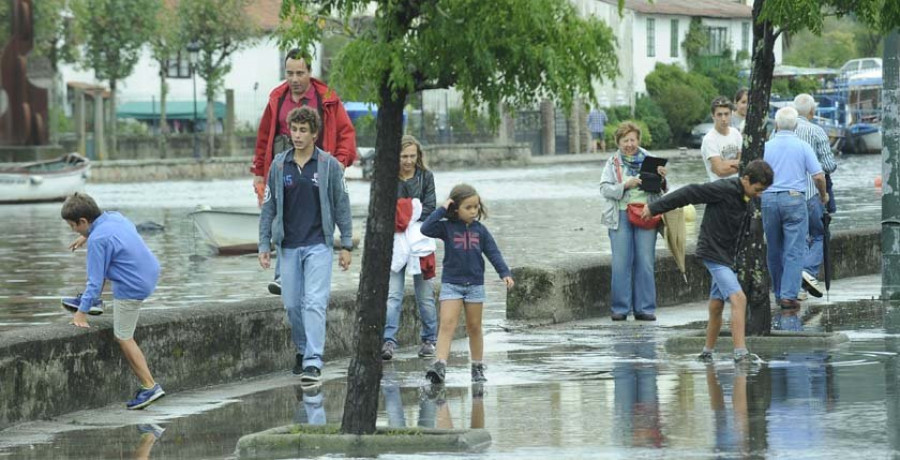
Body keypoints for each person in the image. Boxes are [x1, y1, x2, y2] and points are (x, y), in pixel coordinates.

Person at [642, 160, 774, 363]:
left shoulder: (748, 197)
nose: (760, 194)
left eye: (763, 191)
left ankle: (707, 352)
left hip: (727, 257)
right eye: (758, 189)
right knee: (739, 299)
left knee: (716, 305)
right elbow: (689, 193)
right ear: (746, 179)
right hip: (713, 253)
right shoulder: (722, 189)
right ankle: (740, 354)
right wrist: (654, 207)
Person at [258, 106, 353, 386]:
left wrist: (345, 244)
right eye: (294, 129)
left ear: (314, 134)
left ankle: (313, 360)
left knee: (314, 302)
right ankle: (302, 349)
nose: (297, 135)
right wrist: (264, 243)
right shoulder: (279, 165)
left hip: (318, 245)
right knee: (291, 304)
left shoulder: (329, 166)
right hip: (288, 245)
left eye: (303, 130)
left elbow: (341, 205)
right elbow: (269, 207)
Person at [251, 48, 357, 295]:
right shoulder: (277, 99)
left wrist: (340, 162)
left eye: (300, 73)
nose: (295, 79)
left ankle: (313, 271)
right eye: (290, 73)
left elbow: (346, 133)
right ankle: (282, 275)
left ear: (310, 72)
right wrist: (259, 171)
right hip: (284, 169)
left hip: (318, 171)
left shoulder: (327, 98)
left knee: (321, 219)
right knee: (280, 212)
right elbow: (264, 136)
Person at [61, 192, 165, 410]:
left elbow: (95, 280)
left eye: (73, 226)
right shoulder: (113, 217)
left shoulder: (98, 239)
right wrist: (86, 236)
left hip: (133, 285)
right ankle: (93, 302)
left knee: (123, 336)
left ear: (83, 221)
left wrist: (80, 313)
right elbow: (112, 236)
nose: (73, 231)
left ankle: (150, 386)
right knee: (111, 258)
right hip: (149, 270)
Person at [421, 184, 514, 384]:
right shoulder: (446, 227)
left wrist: (504, 273)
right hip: (452, 284)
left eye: (476, 207)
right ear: (455, 208)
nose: (473, 211)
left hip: (475, 286)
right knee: (447, 325)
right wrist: (442, 208)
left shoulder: (481, 231)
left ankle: (477, 367)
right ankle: (440, 366)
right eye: (468, 207)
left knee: (474, 327)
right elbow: (425, 228)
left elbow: (493, 253)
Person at [599, 121, 668, 321]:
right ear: (618, 142)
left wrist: (662, 178)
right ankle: (620, 308)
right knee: (621, 262)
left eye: (632, 140)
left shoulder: (650, 159)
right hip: (620, 215)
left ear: (638, 140)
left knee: (645, 261)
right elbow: (603, 188)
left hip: (646, 213)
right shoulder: (612, 162)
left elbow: (663, 189)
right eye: (625, 140)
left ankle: (644, 308)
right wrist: (624, 185)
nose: (629, 144)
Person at [762, 107, 827, 310]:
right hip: (794, 199)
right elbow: (818, 176)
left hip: (769, 199)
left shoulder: (765, 147)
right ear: (796, 125)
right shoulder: (802, 146)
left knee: (774, 248)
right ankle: (789, 297)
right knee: (794, 249)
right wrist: (823, 195)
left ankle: (779, 291)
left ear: (777, 125)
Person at [381, 135, 438, 361]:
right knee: (392, 295)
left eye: (412, 156)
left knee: (424, 296)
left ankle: (429, 339)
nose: (408, 161)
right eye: (404, 156)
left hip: (420, 243)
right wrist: (411, 210)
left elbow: (431, 208)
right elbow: (384, 209)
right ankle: (388, 341)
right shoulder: (389, 178)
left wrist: (405, 213)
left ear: (418, 156)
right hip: (394, 244)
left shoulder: (426, 177)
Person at [793, 93, 837, 299]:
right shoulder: (817, 131)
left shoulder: (783, 131)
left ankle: (799, 286)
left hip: (790, 193)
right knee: (819, 234)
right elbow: (829, 166)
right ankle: (809, 273)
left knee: (799, 236)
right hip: (813, 192)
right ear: (812, 111)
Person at [701, 97, 742, 183]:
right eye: (719, 115)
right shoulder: (709, 139)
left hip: (737, 186)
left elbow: (744, 162)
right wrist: (739, 164)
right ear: (713, 116)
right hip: (718, 189)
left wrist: (725, 164)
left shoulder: (736, 133)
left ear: (731, 114)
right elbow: (720, 171)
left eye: (726, 114)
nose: (723, 119)